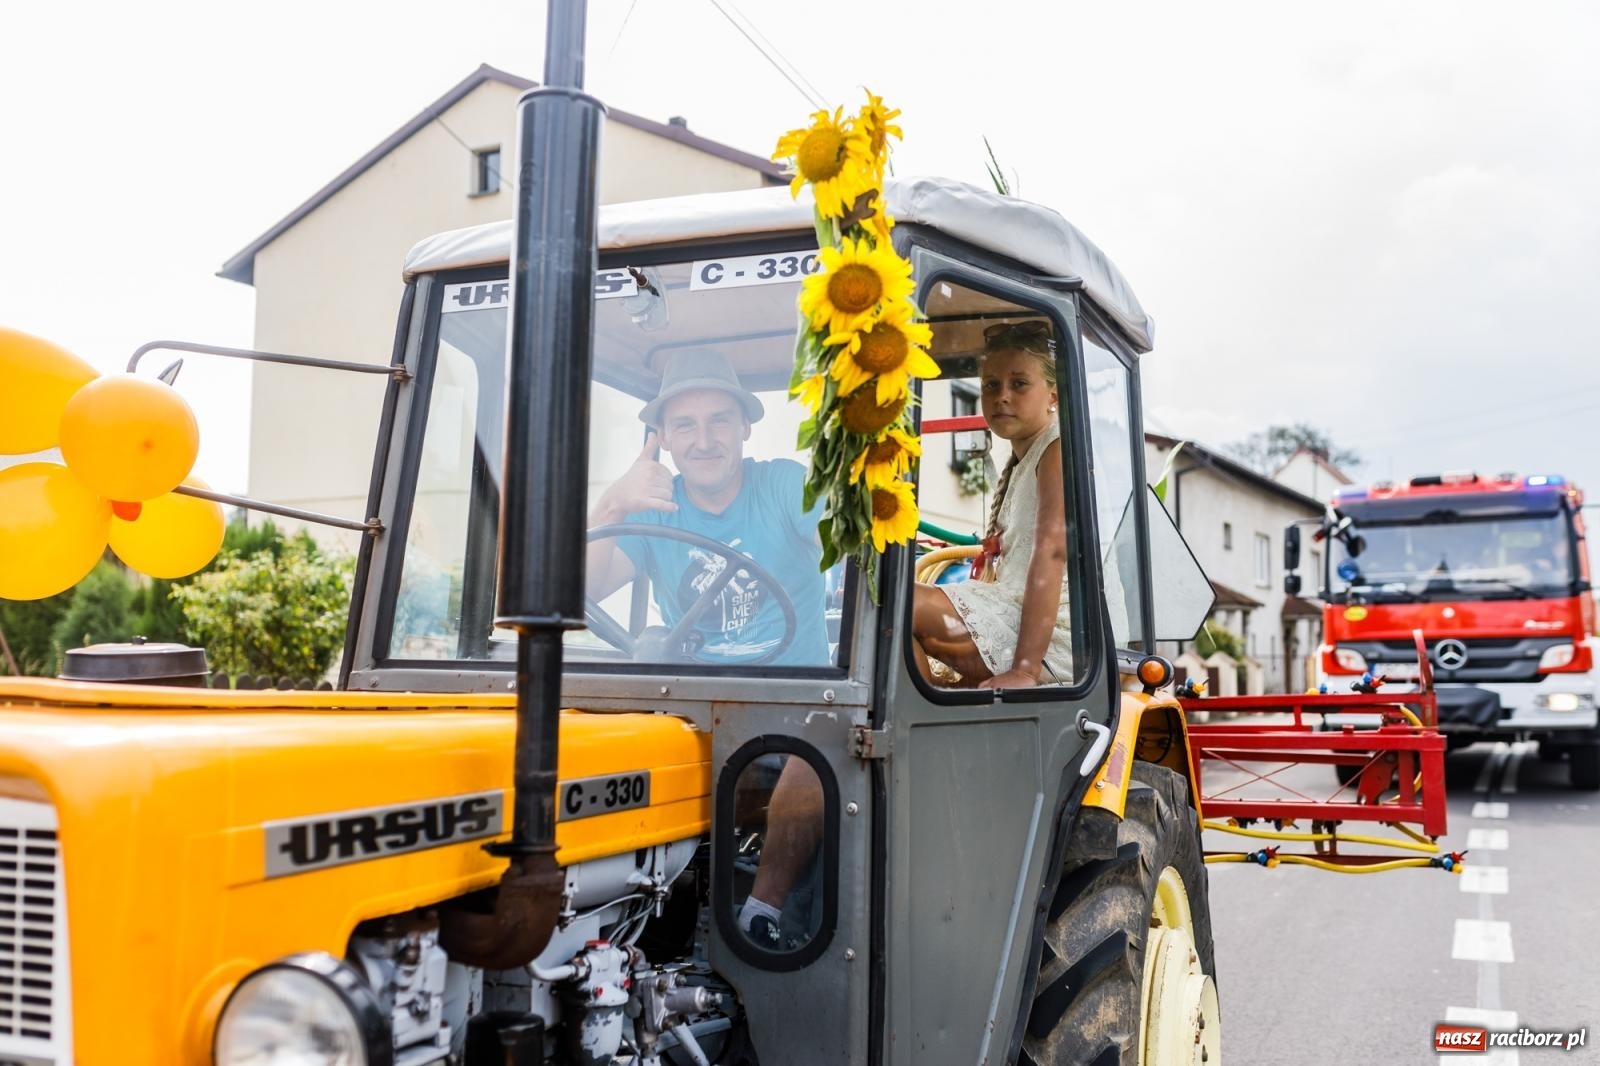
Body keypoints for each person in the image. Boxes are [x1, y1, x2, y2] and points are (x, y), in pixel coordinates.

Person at [586, 348, 829, 666]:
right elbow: (583, 595)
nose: (704, 442)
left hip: (798, 701)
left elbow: (845, 543)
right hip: (692, 702)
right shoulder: (652, 509)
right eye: (685, 425)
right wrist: (612, 504)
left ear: (745, 426)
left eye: (720, 421)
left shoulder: (785, 485)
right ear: (664, 436)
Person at [911, 320, 1072, 687]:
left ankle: (917, 725)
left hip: (1058, 634)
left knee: (894, 604)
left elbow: (1053, 552)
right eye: (990, 385)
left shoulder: (1057, 450)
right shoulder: (1024, 459)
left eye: (1019, 384)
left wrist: (1025, 670)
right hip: (1013, 607)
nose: (1002, 396)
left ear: (1053, 395)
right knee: (883, 608)